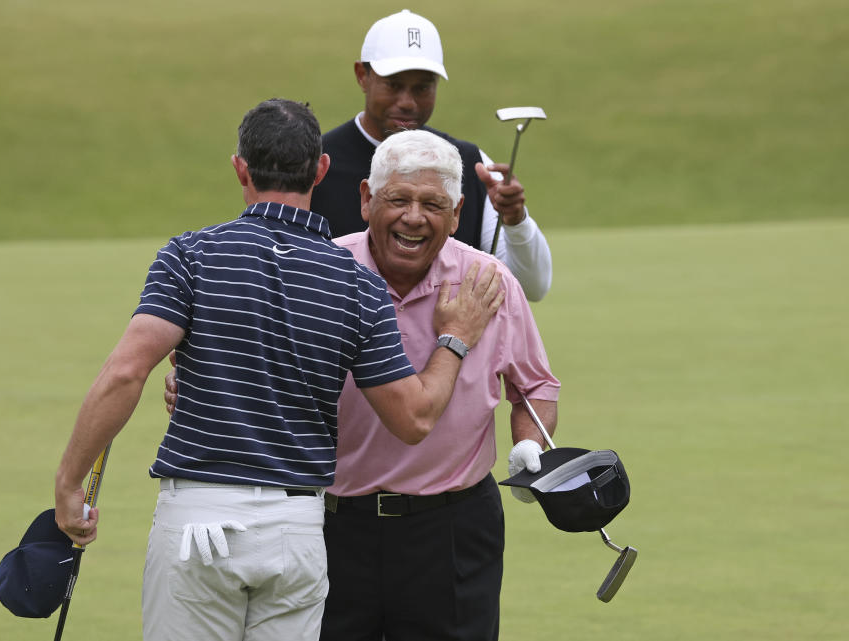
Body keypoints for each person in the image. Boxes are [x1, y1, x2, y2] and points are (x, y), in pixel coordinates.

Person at [54, 99, 505, 641]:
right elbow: (414, 417)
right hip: (298, 531)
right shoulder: (356, 284)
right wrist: (454, 339)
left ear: (240, 168)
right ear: (320, 169)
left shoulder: (190, 256)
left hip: (198, 517)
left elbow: (126, 373)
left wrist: (69, 482)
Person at [166, 129, 560, 641]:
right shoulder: (323, 273)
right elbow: (257, 368)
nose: (414, 217)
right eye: (398, 199)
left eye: (432, 204)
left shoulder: (489, 282)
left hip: (452, 528)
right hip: (332, 524)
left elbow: (534, 386)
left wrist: (531, 443)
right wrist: (201, 382)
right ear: (366, 200)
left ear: (458, 213)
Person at [310, 9, 553, 302]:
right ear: (363, 75)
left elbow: (533, 286)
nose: (408, 102)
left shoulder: (469, 163)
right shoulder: (316, 164)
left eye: (422, 88)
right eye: (394, 85)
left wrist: (515, 219)